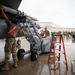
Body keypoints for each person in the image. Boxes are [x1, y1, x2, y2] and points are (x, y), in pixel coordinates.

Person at [0, 4, 23, 70]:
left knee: (7, 52)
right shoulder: (17, 28)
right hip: (14, 40)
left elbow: (5, 17)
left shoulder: (10, 24)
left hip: (9, 40)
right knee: (14, 52)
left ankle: (6, 66)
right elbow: (20, 31)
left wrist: (1, 10)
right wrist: (22, 28)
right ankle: (15, 64)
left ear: (12, 22)